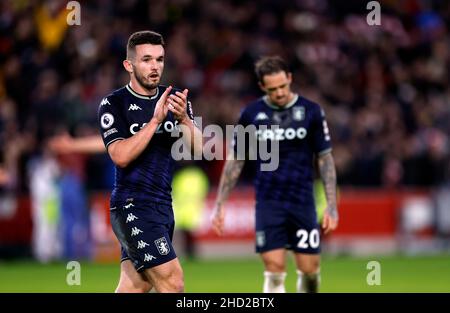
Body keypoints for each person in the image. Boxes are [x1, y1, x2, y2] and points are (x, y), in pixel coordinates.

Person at [211, 56, 338, 293]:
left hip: (302, 202)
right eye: (273, 89)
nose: (279, 93)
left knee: (310, 270)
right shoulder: (251, 114)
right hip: (269, 202)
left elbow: (325, 158)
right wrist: (220, 204)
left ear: (290, 78)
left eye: (283, 86)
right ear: (262, 87)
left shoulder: (311, 111)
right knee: (274, 266)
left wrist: (331, 205)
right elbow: (236, 160)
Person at [97, 30, 202, 293]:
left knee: (134, 287)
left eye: (159, 59)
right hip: (132, 205)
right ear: (129, 65)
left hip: (162, 206)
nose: (155, 66)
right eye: (146, 59)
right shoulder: (114, 104)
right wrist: (155, 121)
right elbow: (120, 156)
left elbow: (199, 150)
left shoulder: (175, 99)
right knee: (173, 282)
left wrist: (185, 121)